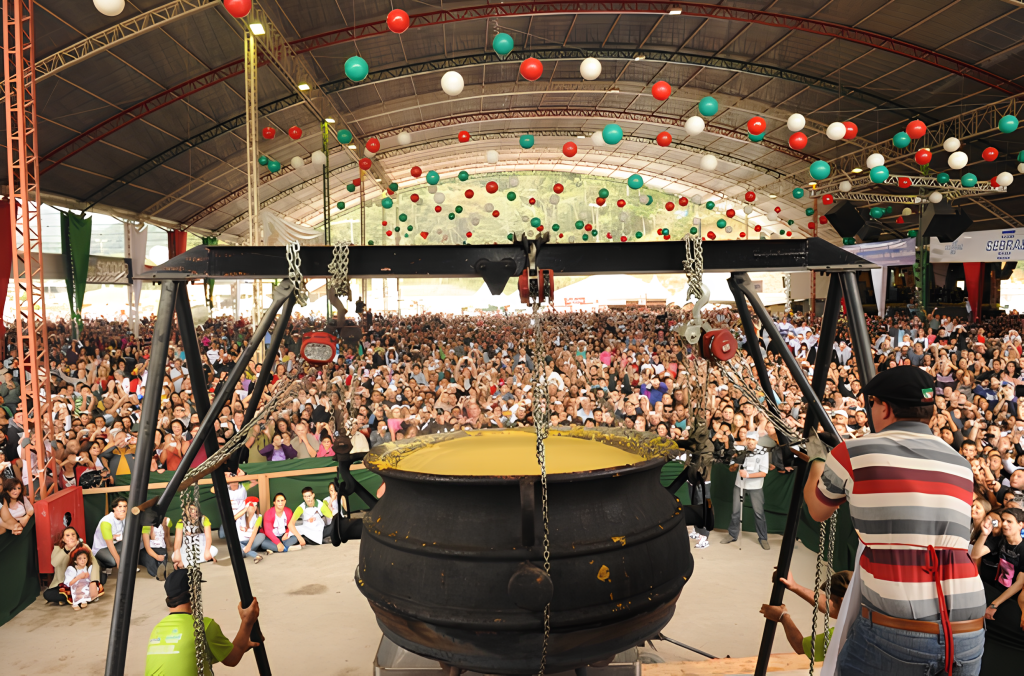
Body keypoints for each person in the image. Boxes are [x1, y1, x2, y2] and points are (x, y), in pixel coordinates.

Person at [804, 366, 986, 676]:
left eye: (872, 403)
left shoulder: (853, 453)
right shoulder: (960, 463)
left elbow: (818, 510)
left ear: (884, 407)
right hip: (969, 631)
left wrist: (816, 462)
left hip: (898, 630)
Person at [144, 568, 261, 675]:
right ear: (195, 593)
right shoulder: (204, 625)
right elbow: (232, 659)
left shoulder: (157, 629)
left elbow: (190, 656)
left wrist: (240, 645)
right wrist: (247, 621)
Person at [972, 506, 1024, 673]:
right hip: (997, 590)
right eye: (1003, 521)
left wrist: (994, 604)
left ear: (1021, 525)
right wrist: (985, 534)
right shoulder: (1000, 540)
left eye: (1010, 521)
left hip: (1011, 599)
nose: (1005, 525)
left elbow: (1019, 583)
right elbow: (975, 554)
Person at [760, 570, 853, 660]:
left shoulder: (841, 637)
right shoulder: (861, 618)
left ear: (843, 601)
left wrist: (783, 616)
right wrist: (794, 586)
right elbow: (826, 604)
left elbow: (800, 646)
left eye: (830, 600)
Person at [721, 430, 770, 550]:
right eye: (748, 439)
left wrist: (748, 475)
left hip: (755, 486)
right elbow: (731, 469)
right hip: (740, 485)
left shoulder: (763, 452)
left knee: (759, 513)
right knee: (735, 511)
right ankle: (732, 534)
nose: (750, 442)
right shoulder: (740, 450)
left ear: (757, 440)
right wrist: (736, 463)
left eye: (753, 439)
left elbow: (764, 473)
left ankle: (763, 538)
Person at [44, 526, 102, 606]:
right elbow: (54, 563)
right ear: (63, 539)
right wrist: (66, 549)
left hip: (83, 582)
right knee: (48, 594)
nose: (71, 537)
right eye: (67, 535)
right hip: (66, 584)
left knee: (102, 577)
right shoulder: (58, 548)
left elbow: (94, 563)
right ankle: (81, 597)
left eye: (73, 534)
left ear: (77, 537)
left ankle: (72, 598)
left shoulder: (84, 546)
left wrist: (94, 581)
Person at [172, 503, 218, 568]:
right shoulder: (181, 522)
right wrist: (177, 553)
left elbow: (208, 538)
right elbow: (178, 541)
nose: (193, 513)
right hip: (187, 550)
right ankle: (198, 560)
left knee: (213, 550)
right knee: (174, 557)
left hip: (202, 548)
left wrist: (207, 551)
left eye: (195, 510)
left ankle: (186, 563)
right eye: (190, 511)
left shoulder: (204, 519)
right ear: (186, 512)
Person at [92, 497, 128, 571]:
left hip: (117, 543)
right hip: (102, 547)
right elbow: (109, 543)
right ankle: (100, 564)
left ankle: (127, 565)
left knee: (133, 542)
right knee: (113, 562)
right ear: (114, 508)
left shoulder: (125, 518)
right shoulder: (106, 521)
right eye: (120, 506)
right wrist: (119, 561)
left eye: (125, 506)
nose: (123, 509)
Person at [141, 512, 172, 580]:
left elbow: (167, 537)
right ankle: (158, 573)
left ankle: (166, 572)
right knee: (151, 562)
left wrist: (169, 552)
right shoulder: (146, 525)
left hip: (161, 548)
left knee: (165, 561)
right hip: (150, 549)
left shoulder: (166, 521)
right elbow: (147, 547)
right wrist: (156, 556)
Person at [234, 496, 265, 562]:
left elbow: (254, 532)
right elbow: (234, 518)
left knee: (261, 535)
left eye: (255, 505)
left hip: (251, 543)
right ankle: (254, 555)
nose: (254, 507)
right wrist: (245, 509)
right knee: (234, 543)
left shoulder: (259, 517)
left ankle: (246, 551)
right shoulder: (240, 516)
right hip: (240, 543)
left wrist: (248, 546)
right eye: (251, 505)